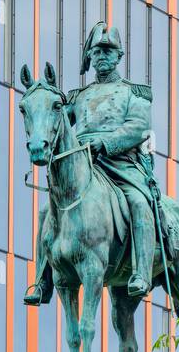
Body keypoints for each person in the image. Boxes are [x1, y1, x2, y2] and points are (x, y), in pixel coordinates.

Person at [24, 22, 159, 305]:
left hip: (121, 165)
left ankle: (141, 272)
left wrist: (106, 143)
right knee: (45, 213)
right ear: (90, 56)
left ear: (119, 55)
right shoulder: (78, 96)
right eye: (97, 51)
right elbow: (57, 118)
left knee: (138, 203)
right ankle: (42, 280)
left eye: (108, 51)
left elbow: (138, 128)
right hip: (83, 166)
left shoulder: (134, 94)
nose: (102, 56)